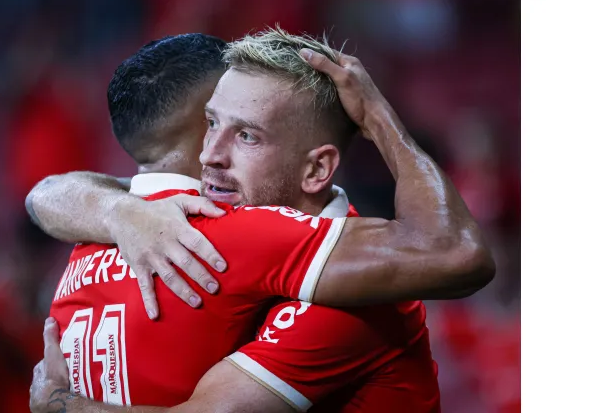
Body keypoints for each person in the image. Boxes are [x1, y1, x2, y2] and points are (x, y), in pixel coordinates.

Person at [29, 29, 494, 412]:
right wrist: (120, 210)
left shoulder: (353, 291)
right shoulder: (210, 223)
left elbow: (457, 253)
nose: (209, 156)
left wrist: (63, 405)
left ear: (315, 170)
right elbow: (47, 195)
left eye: (247, 135)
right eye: (211, 123)